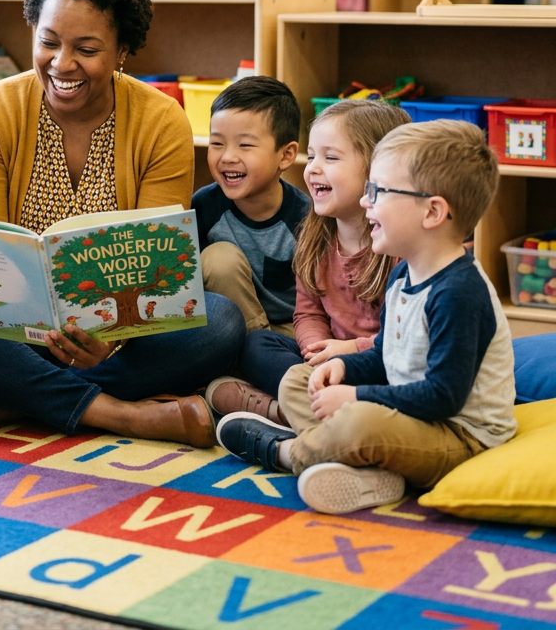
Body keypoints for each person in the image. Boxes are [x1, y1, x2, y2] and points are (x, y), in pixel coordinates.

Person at [0, 0, 246, 448]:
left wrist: (110, 339)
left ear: (123, 49)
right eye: (49, 41)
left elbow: (156, 269)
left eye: (86, 49)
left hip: (118, 339)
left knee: (221, 323)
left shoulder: (161, 120)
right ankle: (120, 415)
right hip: (10, 336)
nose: (62, 64)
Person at [216, 120, 516, 515]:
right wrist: (343, 367)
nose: (364, 202)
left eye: (379, 192)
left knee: (359, 422)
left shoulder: (459, 292)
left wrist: (356, 395)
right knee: (297, 381)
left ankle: (287, 452)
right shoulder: (404, 273)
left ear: (433, 212)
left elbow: (443, 397)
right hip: (408, 415)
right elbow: (384, 359)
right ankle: (366, 470)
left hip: (458, 436)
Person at [208, 99, 410, 424]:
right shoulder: (315, 236)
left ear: (378, 171)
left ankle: (293, 411)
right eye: (312, 155)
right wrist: (316, 350)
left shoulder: (400, 247)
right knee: (257, 344)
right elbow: (308, 311)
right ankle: (308, 406)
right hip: (327, 359)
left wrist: (351, 351)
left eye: (330, 157)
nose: (312, 167)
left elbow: (407, 338)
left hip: (379, 362)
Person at [194, 77, 308, 341]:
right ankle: (253, 355)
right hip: (228, 329)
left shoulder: (307, 218)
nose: (228, 157)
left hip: (289, 331)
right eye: (217, 143)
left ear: (286, 155)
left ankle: (255, 359)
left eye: (245, 145)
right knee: (220, 257)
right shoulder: (203, 206)